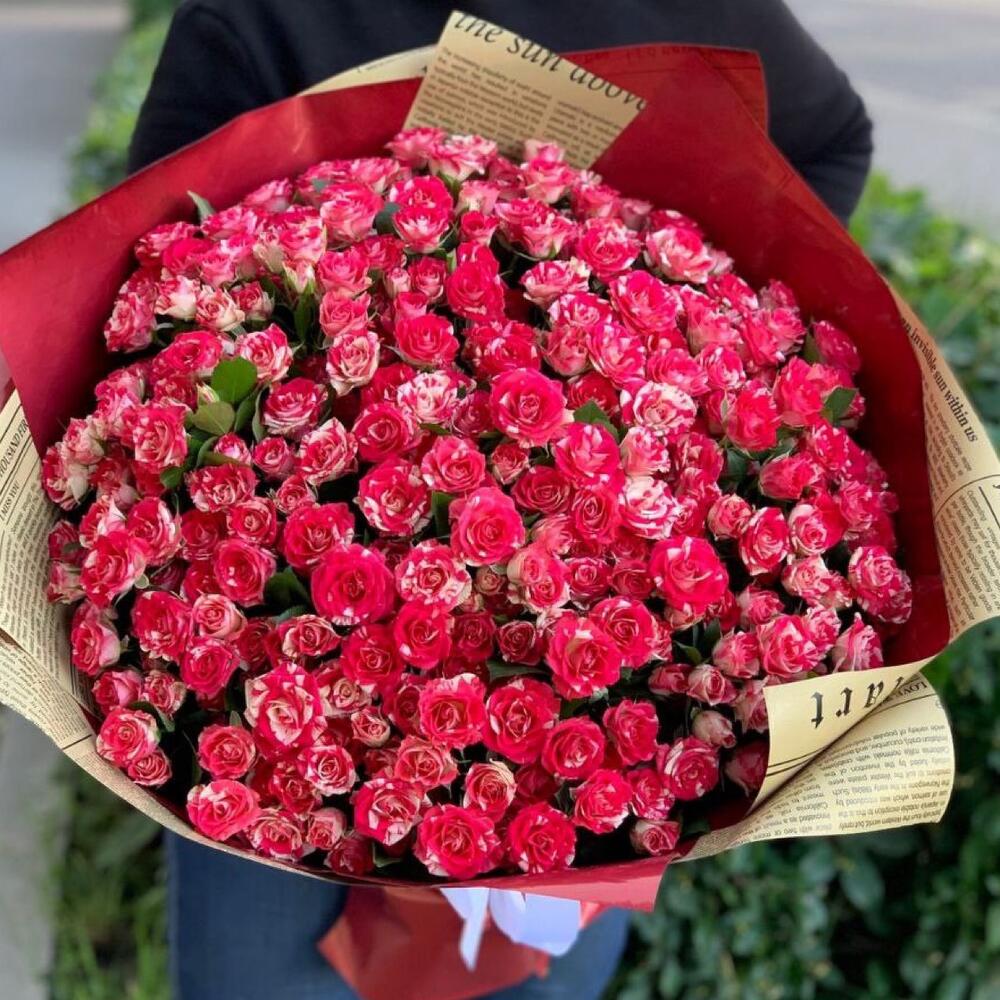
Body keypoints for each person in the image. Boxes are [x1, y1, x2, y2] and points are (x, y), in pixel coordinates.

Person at [130, 3, 873, 998]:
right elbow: (155, 263)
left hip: (587, 799)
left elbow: (829, 138)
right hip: (267, 792)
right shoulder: (258, 14)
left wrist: (731, 325)